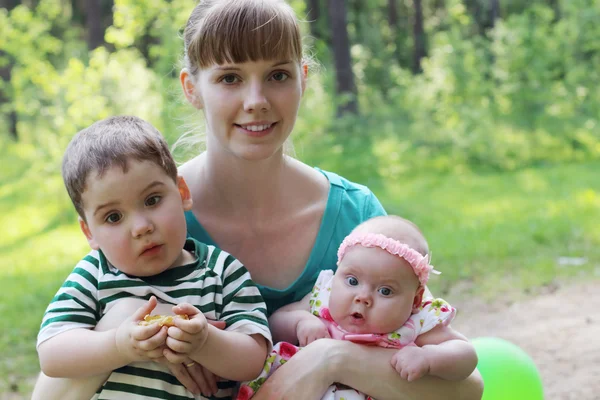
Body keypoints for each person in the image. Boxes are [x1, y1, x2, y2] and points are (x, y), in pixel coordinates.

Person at [37, 0, 484, 398]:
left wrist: (329, 358)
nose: (256, 100)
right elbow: (56, 386)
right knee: (121, 311)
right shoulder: (150, 214)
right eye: (230, 78)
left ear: (302, 80)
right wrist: (150, 327)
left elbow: (461, 389)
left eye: (277, 75)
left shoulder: (356, 216)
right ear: (192, 87)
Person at [33, 116, 271, 399]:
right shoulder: (95, 274)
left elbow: (254, 360)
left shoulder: (221, 271)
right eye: (113, 217)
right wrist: (118, 346)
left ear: (182, 192)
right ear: (89, 233)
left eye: (152, 200)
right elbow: (52, 353)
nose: (141, 227)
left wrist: (205, 341)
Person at [236, 215, 478, 399]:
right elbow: (274, 324)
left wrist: (428, 358)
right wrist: (299, 321)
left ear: (414, 300)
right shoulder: (322, 297)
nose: (363, 297)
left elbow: (466, 356)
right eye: (352, 281)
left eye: (385, 291)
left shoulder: (416, 321)